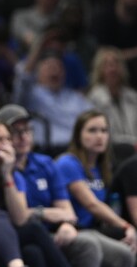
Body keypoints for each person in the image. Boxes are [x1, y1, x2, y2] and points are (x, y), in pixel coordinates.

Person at [0, 104, 103, 267]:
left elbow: (67, 212)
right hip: (17, 234)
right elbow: (19, 218)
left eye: (27, 130)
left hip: (53, 232)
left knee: (97, 247)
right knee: (34, 250)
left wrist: (66, 224)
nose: (23, 137)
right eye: (15, 132)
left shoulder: (45, 163)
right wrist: (44, 213)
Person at [0, 119, 72, 267]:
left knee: (32, 251)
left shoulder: (14, 175)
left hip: (3, 235)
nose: (7, 144)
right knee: (8, 221)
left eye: (8, 139)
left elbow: (19, 218)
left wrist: (6, 175)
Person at [56, 110, 136, 267]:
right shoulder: (68, 163)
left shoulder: (102, 168)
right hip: (73, 230)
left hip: (94, 229)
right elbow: (92, 204)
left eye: (104, 131)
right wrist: (126, 226)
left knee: (128, 250)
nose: (99, 136)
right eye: (92, 130)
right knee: (122, 251)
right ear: (78, 135)